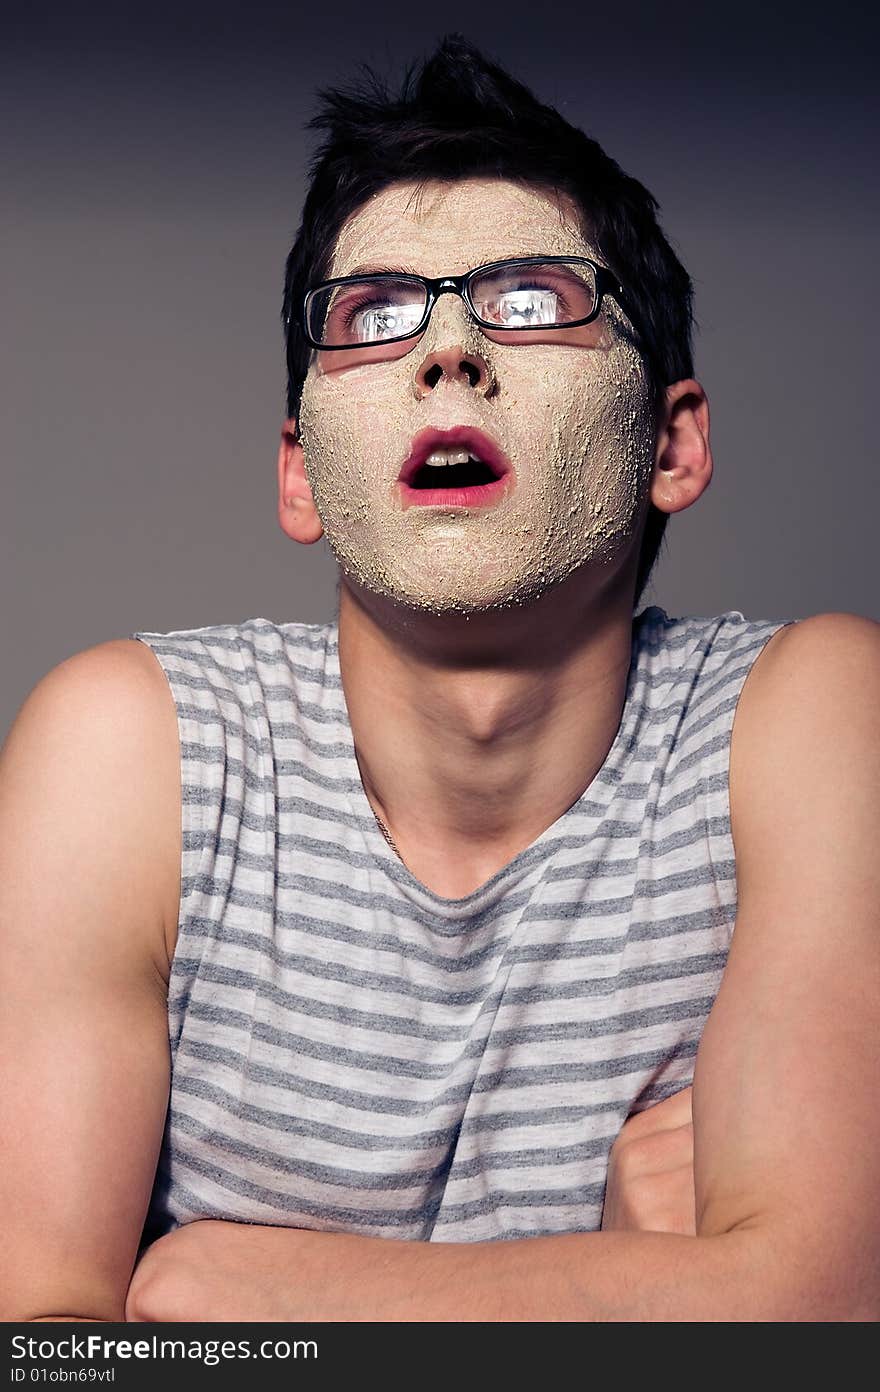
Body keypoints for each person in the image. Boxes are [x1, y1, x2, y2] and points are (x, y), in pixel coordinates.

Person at [2, 34, 878, 1324]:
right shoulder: (135, 751)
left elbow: (816, 1314)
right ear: (301, 473)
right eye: (377, 314)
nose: (450, 353)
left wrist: (223, 1290)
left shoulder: (812, 718)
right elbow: (45, 1349)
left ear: (672, 445)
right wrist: (654, 1286)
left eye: (534, 301)